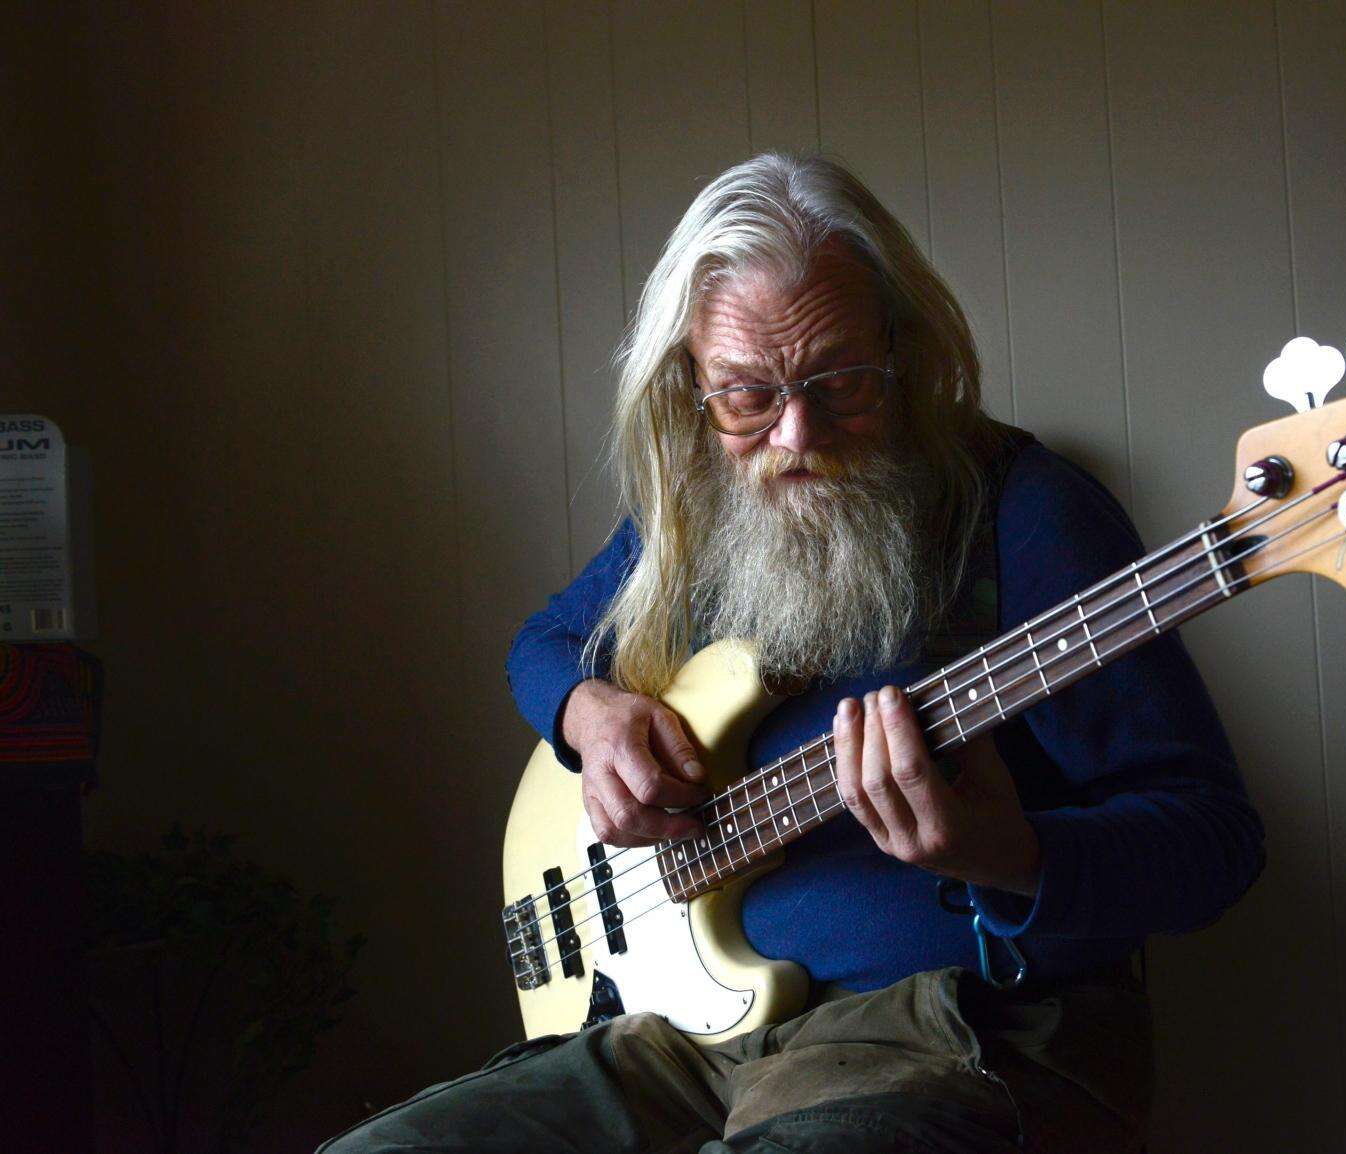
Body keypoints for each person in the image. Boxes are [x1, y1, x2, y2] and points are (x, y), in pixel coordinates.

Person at [319, 153, 1264, 1154]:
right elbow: (543, 644)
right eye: (745, 395)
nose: (797, 433)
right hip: (677, 1040)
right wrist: (588, 717)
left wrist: (1008, 853)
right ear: (690, 383)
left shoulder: (1026, 514)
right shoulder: (696, 511)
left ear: (903, 347)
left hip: (936, 1031)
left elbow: (1214, 843)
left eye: (841, 381)